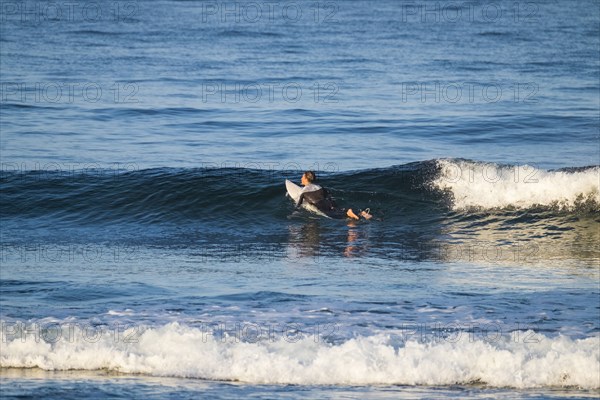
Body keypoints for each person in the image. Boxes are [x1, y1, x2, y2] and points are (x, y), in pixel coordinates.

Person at [295, 171, 372, 220]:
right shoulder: (319, 186)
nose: (301, 178)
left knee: (334, 216)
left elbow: (298, 205)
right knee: (338, 209)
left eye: (302, 177)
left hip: (320, 205)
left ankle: (348, 213)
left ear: (306, 179)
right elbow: (328, 195)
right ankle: (362, 213)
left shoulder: (304, 191)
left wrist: (295, 213)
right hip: (328, 202)